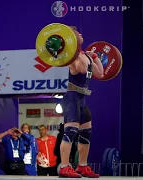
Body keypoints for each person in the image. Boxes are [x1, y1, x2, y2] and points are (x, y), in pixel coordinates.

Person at [58, 28, 104, 178]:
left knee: (86, 133)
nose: (81, 35)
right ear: (72, 38)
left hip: (82, 99)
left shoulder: (85, 56)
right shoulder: (73, 57)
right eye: (78, 34)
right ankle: (64, 166)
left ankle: (82, 166)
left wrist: (94, 57)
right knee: (70, 132)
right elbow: (83, 69)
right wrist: (84, 57)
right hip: (71, 98)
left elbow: (100, 74)